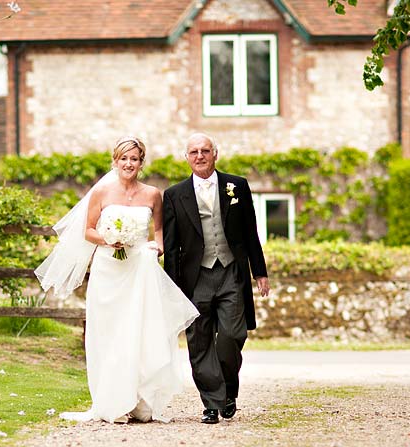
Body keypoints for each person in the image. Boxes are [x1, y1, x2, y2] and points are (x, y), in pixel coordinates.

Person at [35, 136, 199, 423]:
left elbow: (159, 233)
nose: (129, 164)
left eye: (134, 159)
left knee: (138, 329)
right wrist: (109, 238)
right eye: (124, 158)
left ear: (141, 163)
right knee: (108, 332)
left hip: (139, 269)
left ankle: (136, 399)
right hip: (108, 271)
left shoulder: (152, 195)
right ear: (115, 161)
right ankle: (111, 401)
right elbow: (88, 231)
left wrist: (156, 249)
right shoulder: (102, 192)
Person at [162, 133, 270, 424]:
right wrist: (172, 289)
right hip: (194, 278)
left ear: (215, 154)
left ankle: (228, 390)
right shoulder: (174, 195)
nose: (200, 156)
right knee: (199, 342)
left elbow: (250, 233)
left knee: (233, 335)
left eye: (205, 150)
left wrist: (259, 272)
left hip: (231, 273)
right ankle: (211, 403)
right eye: (194, 151)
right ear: (187, 157)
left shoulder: (238, 186)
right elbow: (171, 248)